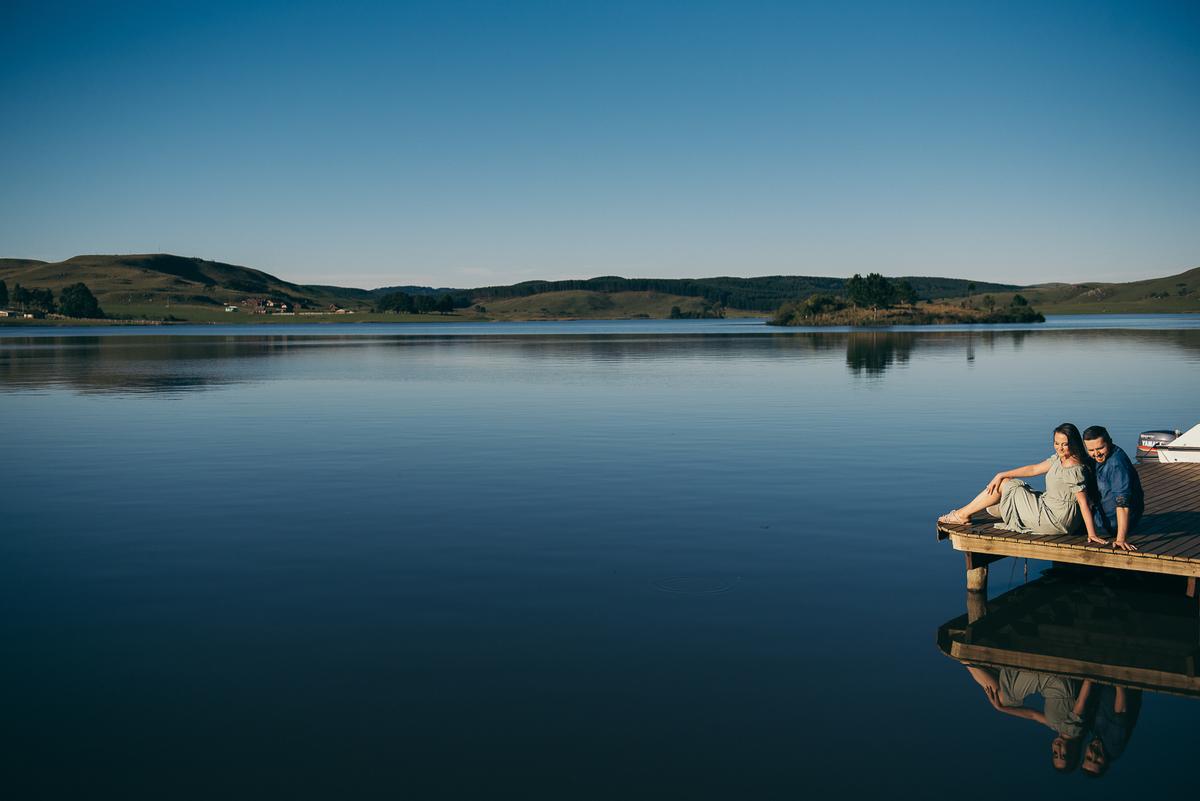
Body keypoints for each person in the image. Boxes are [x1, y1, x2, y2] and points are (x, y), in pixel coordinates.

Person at [939, 423, 1104, 544]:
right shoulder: (1062, 458)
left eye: (1064, 444)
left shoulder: (1072, 467)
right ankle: (970, 512)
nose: (1059, 448)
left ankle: (962, 515)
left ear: (1073, 443)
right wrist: (1001, 473)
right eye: (1056, 443)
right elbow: (1033, 470)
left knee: (1007, 486)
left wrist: (1092, 534)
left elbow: (1083, 502)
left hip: (1056, 520)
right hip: (1054, 510)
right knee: (1008, 482)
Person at [961, 664, 1092, 773]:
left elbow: (1033, 715)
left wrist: (1002, 709)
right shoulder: (1072, 730)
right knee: (1005, 698)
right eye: (1063, 755)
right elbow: (1082, 701)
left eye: (1055, 754)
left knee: (1004, 699)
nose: (1057, 749)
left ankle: (969, 661)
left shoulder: (1060, 728)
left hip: (1047, 679)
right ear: (1074, 753)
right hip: (1050, 677)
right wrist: (1090, 675)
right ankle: (965, 660)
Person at [1082, 426, 1144, 552]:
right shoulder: (1101, 458)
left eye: (1100, 448)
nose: (1096, 454)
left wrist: (1120, 538)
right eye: (1091, 450)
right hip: (1106, 517)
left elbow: (1123, 502)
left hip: (1110, 525)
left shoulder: (1116, 464)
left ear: (1110, 441)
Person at [1081, 685, 1141, 779]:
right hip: (1122, 682)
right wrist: (1118, 683)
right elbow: (1120, 715)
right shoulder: (1113, 747)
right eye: (1097, 761)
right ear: (1106, 764)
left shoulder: (1096, 735)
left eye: (1088, 758)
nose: (1094, 755)